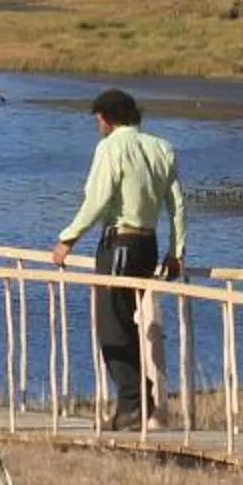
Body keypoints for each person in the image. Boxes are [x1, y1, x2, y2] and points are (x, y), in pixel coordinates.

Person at [51, 89, 187, 428]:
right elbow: (177, 206)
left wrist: (67, 238)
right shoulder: (162, 148)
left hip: (120, 244)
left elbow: (97, 200)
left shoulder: (111, 147)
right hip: (149, 246)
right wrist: (176, 252)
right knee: (125, 323)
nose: (98, 125)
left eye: (98, 120)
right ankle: (137, 399)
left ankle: (133, 402)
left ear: (107, 119)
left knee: (113, 328)